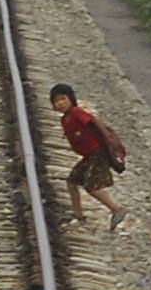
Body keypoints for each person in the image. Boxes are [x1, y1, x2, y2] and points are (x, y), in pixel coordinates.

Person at [50, 83, 127, 231]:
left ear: (71, 99)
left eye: (63, 99)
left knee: (91, 186)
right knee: (72, 181)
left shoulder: (76, 113)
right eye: (56, 101)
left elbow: (93, 121)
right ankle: (78, 216)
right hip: (89, 155)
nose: (60, 103)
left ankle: (117, 209)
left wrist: (108, 141)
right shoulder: (66, 118)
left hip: (98, 153)